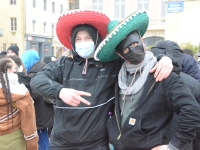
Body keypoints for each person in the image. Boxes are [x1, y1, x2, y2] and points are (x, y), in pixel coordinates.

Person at [30, 10, 174, 150]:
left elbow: (139, 56)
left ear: (96, 39)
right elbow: (37, 80)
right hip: (62, 144)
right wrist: (60, 91)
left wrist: (165, 58)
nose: (83, 42)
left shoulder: (112, 64)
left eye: (87, 38)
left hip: (96, 144)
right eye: (78, 39)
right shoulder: (63, 64)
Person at [94, 10, 200, 150]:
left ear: (142, 41)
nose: (133, 50)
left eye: (134, 44)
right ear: (120, 54)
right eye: (126, 49)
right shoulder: (119, 76)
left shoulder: (163, 74)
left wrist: (174, 145)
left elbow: (191, 110)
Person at [0, 56, 38, 150]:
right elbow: (29, 124)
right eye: (15, 70)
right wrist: (32, 146)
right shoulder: (20, 93)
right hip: (14, 140)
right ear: (9, 71)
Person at [21, 50, 54, 150]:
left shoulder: (34, 75)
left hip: (39, 116)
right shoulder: (45, 69)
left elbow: (33, 96)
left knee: (42, 143)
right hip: (46, 114)